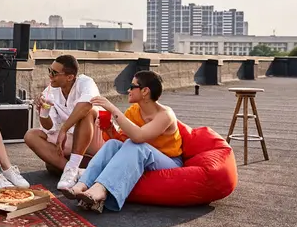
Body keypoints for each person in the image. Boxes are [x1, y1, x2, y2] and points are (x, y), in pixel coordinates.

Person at [61, 70, 183, 213]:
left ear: (145, 91)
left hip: (169, 162)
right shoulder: (133, 111)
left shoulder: (165, 114)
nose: (128, 90)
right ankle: (81, 184)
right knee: (113, 145)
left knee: (137, 145)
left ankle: (101, 189)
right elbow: (121, 141)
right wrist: (109, 129)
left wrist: (112, 108)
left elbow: (138, 137)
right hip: (143, 157)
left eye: (132, 86)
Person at [24, 54, 104, 191]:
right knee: (31, 135)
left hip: (100, 138)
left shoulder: (85, 82)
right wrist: (43, 111)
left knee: (87, 112)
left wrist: (64, 129)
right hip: (75, 138)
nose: (50, 76)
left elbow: (85, 105)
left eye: (54, 73)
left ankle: (72, 167)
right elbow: (49, 128)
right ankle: (73, 171)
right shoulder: (51, 90)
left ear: (70, 77)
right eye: (50, 71)